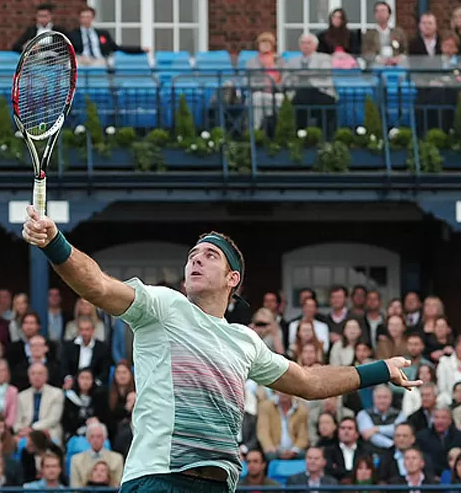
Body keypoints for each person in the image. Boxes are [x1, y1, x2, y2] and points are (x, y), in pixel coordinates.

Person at [21, 205, 420, 492]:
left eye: (209, 256)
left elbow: (308, 381)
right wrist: (56, 243)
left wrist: (380, 370)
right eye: (192, 256)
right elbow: (98, 285)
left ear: (233, 278)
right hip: (159, 479)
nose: (195, 261)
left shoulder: (245, 341)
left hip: (220, 484)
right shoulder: (163, 305)